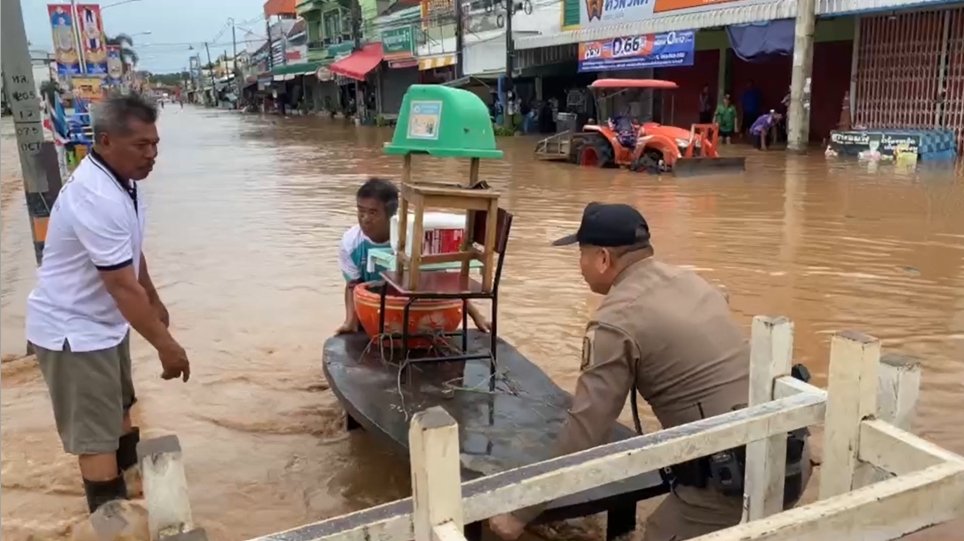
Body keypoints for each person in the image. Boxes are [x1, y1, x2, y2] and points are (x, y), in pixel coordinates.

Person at [488, 202, 810, 541]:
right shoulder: (691, 280)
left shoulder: (615, 320)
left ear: (602, 259)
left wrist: (519, 511)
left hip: (732, 480)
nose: (580, 266)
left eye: (581, 254)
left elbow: (586, 431)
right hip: (790, 456)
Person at [25, 94, 191, 515]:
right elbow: (119, 284)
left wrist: (153, 298)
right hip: (73, 332)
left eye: (155, 144)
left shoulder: (123, 182)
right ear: (104, 141)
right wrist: (165, 345)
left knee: (119, 412)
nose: (152, 154)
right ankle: (111, 528)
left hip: (104, 325)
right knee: (96, 439)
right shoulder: (95, 194)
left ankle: (134, 498)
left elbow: (130, 251)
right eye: (141, 145)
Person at [336, 178, 490, 335]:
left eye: (373, 213)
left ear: (392, 215)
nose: (365, 219)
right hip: (374, 309)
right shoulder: (351, 243)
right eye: (361, 211)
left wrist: (477, 316)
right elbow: (353, 285)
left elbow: (444, 281)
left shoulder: (415, 237)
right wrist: (350, 321)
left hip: (415, 310)